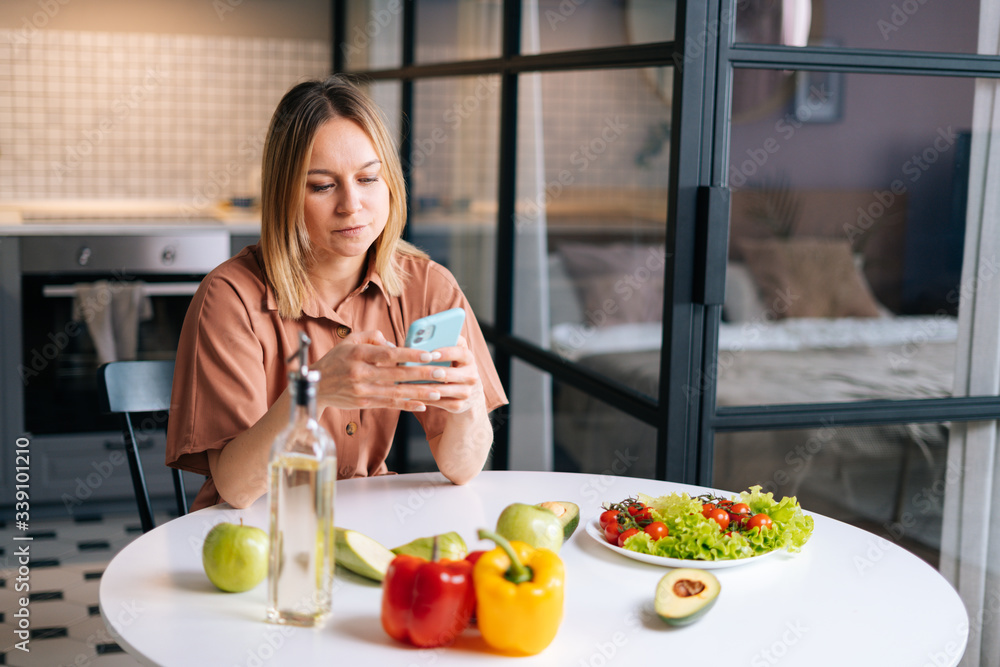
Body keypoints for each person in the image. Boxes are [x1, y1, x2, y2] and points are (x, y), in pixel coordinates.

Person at [166, 75, 507, 511]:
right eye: (323, 186)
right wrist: (316, 392)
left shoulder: (428, 284)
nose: (351, 204)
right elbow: (236, 487)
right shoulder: (231, 297)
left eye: (368, 179)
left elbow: (462, 467)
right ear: (285, 194)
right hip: (257, 530)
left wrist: (468, 401)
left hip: (366, 519)